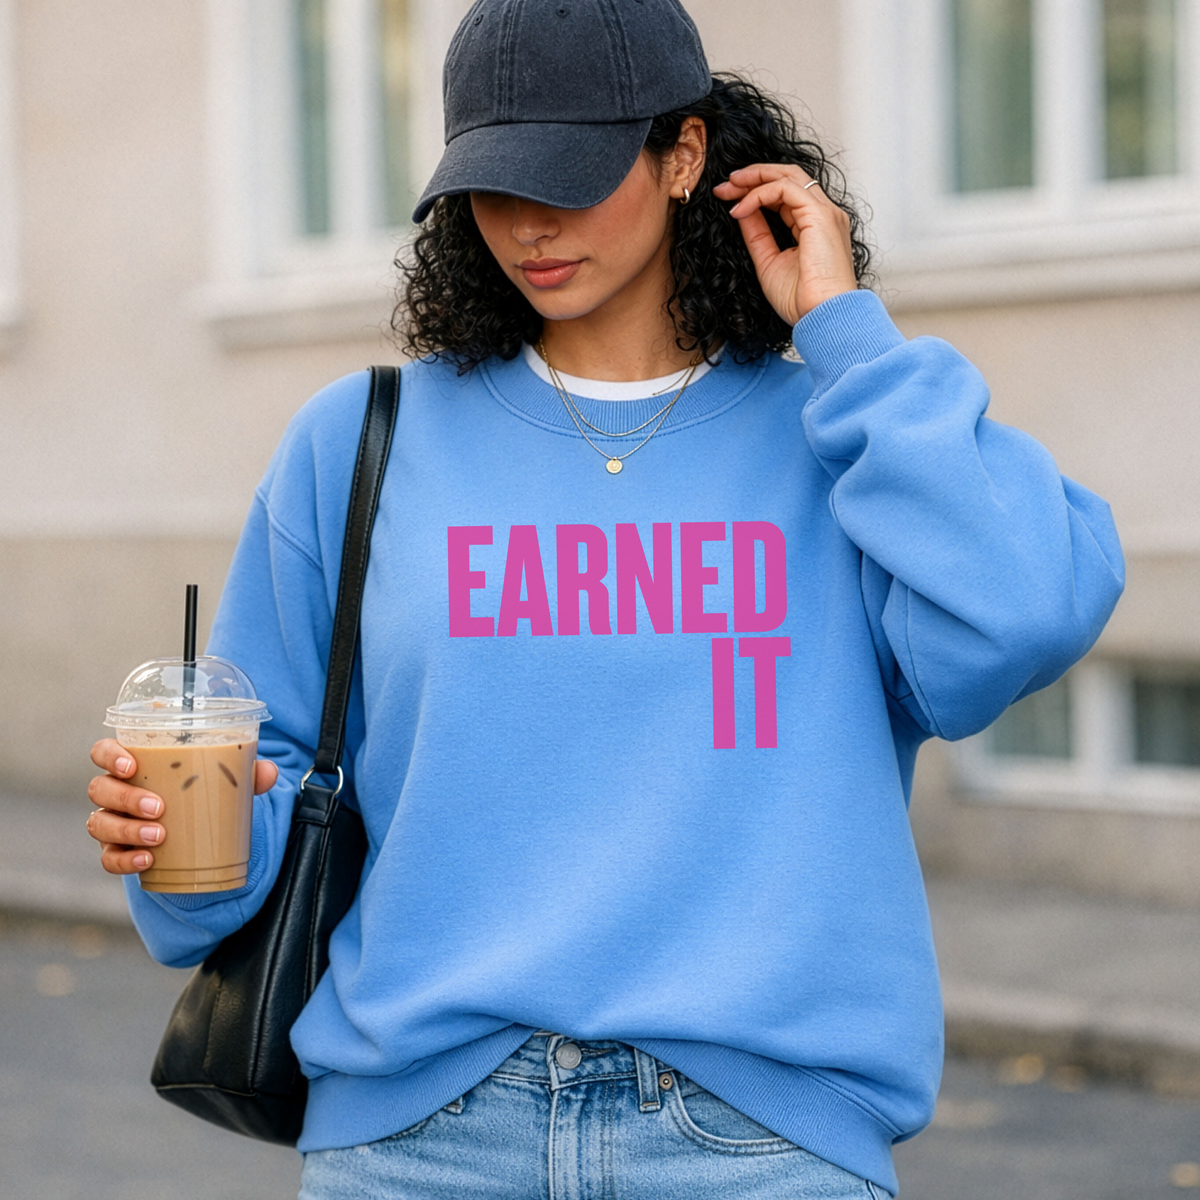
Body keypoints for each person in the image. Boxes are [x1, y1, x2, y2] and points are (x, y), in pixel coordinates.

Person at [86, 2, 1124, 1196]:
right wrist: (167, 839)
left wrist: (850, 337)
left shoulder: (843, 438)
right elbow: (253, 796)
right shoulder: (360, 442)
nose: (527, 224)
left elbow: (1026, 610)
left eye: (568, 178)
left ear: (684, 155)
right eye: (491, 185)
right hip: (419, 1142)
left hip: (758, 1146)